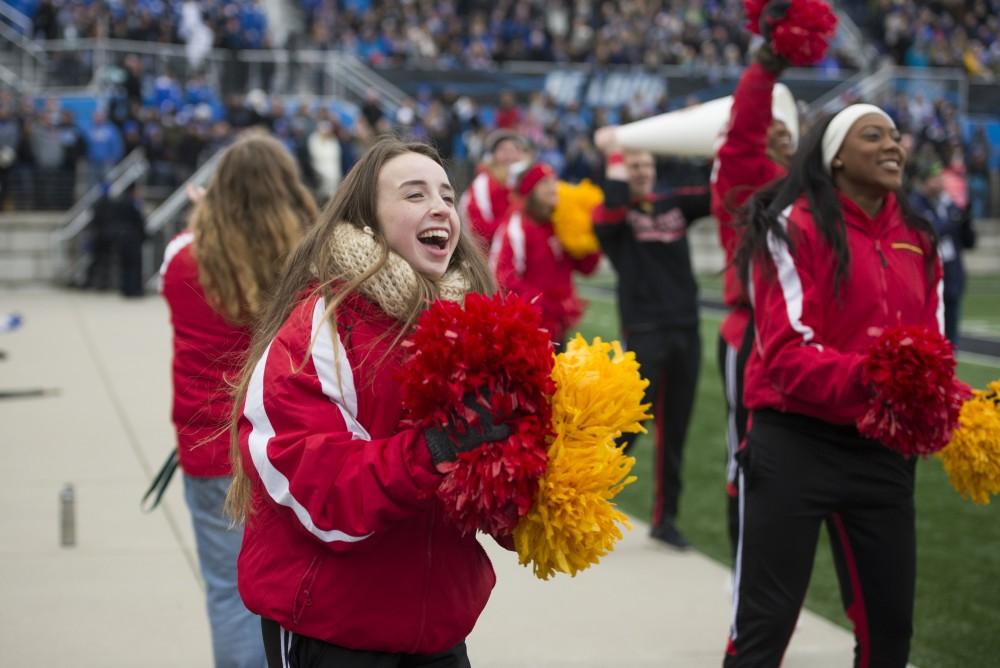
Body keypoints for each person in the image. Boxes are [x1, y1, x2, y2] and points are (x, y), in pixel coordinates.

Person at [223, 138, 505, 667]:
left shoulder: (474, 323)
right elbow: (319, 489)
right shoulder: (321, 326)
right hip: (334, 627)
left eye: (447, 194)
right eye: (414, 194)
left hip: (437, 629)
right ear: (367, 219)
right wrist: (437, 448)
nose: (440, 207)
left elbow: (496, 502)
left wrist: (546, 464)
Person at [726, 104, 941, 667]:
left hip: (884, 451)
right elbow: (787, 354)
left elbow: (935, 352)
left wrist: (955, 404)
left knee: (889, 631)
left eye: (897, 135)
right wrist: (881, 377)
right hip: (795, 444)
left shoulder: (920, 236)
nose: (894, 145)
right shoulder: (790, 225)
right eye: (875, 136)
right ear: (836, 155)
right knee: (764, 629)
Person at [160, 132, 318, 668]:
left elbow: (187, 257)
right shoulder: (307, 263)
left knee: (229, 595)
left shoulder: (185, 257)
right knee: (292, 593)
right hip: (284, 447)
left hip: (208, 449)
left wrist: (208, 219)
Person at [591, 136, 711, 549]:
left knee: (674, 431)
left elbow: (718, 194)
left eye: (646, 165)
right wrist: (617, 154)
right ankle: (584, 498)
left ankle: (666, 519)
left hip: (686, 329)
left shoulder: (672, 204)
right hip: (644, 330)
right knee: (627, 427)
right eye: (632, 166)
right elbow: (613, 204)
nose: (640, 172)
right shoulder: (613, 216)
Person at [710, 41, 796, 558]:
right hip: (753, 338)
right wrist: (766, 65)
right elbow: (744, 131)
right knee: (749, 458)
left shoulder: (811, 192)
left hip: (804, 343)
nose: (781, 138)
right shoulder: (744, 184)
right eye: (772, 130)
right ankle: (746, 571)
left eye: (789, 133)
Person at [490, 162, 601, 350]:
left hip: (558, 326)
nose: (553, 187)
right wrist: (546, 305)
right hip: (528, 328)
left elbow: (586, 268)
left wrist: (590, 239)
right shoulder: (517, 227)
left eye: (553, 181)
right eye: (545, 183)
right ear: (530, 191)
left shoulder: (559, 223)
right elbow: (504, 278)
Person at [910, 161, 975, 344]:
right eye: (934, 178)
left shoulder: (949, 205)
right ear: (923, 182)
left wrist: (966, 220)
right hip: (930, 279)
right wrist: (953, 221)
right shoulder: (916, 206)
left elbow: (968, 242)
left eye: (940, 178)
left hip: (953, 277)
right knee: (932, 337)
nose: (939, 182)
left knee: (952, 338)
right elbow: (930, 233)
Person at [459, 129, 529, 246]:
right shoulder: (483, 182)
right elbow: (478, 228)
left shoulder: (527, 181)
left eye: (515, 149)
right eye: (503, 150)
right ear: (493, 155)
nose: (510, 155)